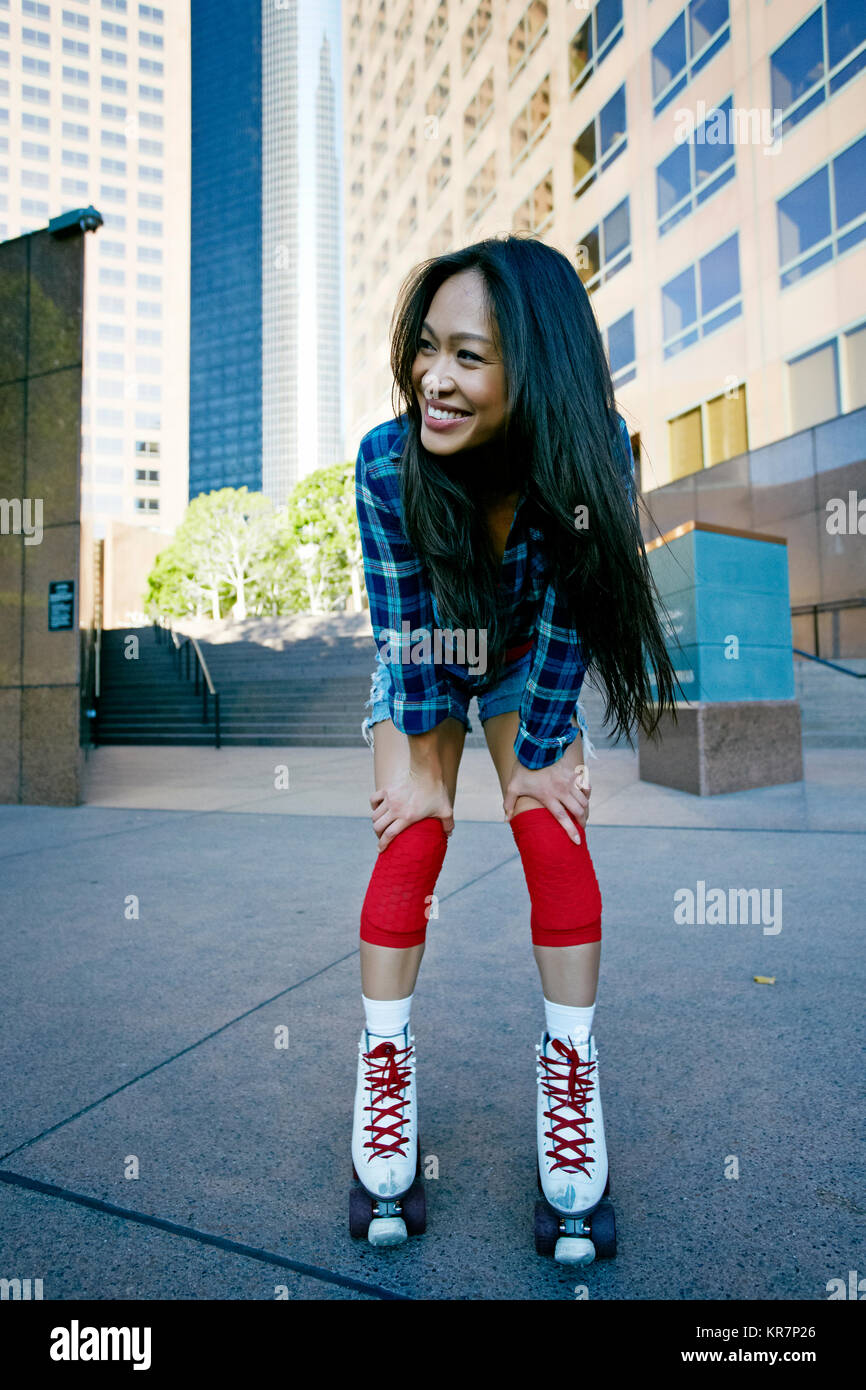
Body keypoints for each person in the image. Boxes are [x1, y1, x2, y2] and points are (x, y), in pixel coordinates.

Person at [351, 234, 678, 1249]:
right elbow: (404, 635)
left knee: (547, 824)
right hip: (428, 650)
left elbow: (571, 625)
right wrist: (418, 767)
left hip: (525, 657)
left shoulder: (587, 454)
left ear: (530, 369)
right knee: (413, 831)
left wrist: (536, 754)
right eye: (426, 349)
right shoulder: (384, 461)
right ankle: (384, 1062)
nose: (431, 379)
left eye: (466, 357)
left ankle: (569, 1070)